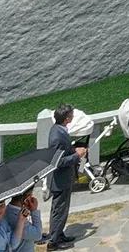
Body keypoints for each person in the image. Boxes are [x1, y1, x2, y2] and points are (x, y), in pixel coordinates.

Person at [45, 104, 82, 249]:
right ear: (67, 118)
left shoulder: (58, 130)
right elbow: (59, 162)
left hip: (64, 179)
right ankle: (54, 242)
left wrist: (73, 149)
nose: (72, 117)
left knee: (62, 210)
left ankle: (59, 234)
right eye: (71, 115)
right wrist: (77, 155)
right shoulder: (57, 137)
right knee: (59, 211)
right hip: (60, 180)